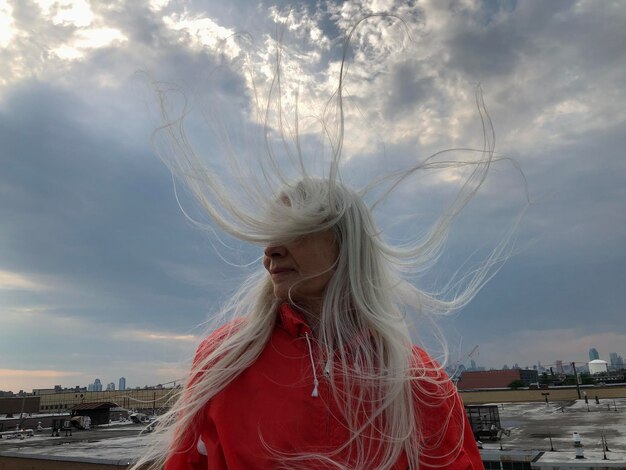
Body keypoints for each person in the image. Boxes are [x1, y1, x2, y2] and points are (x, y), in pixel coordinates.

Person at [132, 18, 520, 470]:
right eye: (268, 234)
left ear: (344, 242)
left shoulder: (417, 380)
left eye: (293, 230)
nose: (270, 250)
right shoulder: (225, 357)